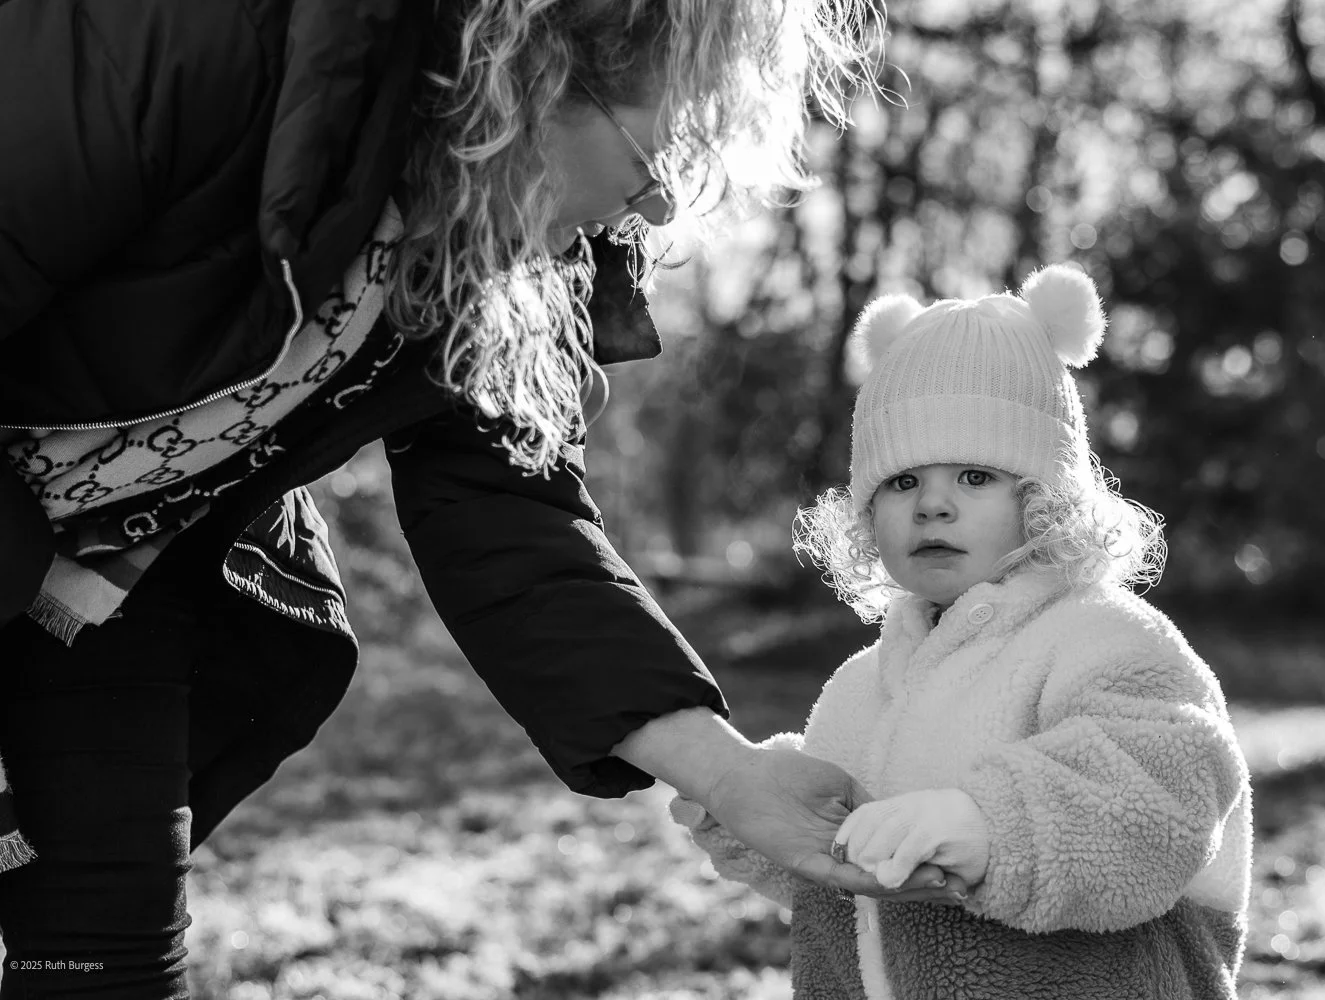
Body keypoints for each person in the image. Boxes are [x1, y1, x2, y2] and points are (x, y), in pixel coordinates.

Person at [0, 0, 968, 994]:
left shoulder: (512, 244)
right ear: (536, 72)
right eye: (655, 159)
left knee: (98, 958)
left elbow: (509, 514)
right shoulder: (196, 41)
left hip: (120, 571)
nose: (654, 210)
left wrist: (728, 771)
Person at [671, 264, 1254, 998]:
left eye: (975, 476)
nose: (932, 505)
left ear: (1046, 499)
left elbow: (1165, 791)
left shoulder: (1103, 638)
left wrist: (991, 825)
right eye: (902, 481)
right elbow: (836, 876)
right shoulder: (861, 685)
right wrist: (749, 811)